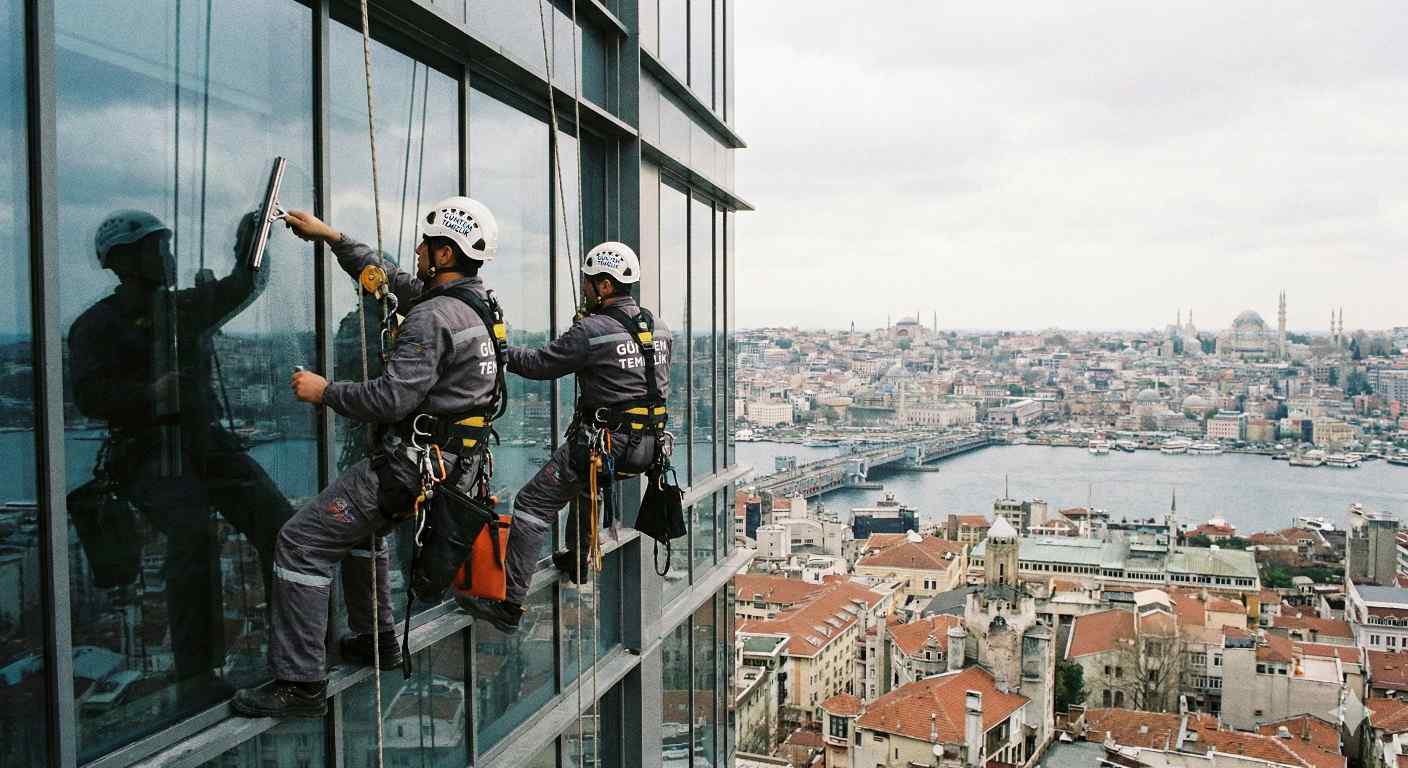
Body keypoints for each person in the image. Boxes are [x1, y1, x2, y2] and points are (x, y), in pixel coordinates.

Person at [232, 197, 503, 718]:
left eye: (426, 244)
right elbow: (388, 275)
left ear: (445, 252)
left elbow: (390, 399)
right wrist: (331, 237)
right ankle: (376, 638)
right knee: (364, 533)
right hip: (450, 465)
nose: (417, 252)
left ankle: (299, 682)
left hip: (409, 466)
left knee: (300, 542)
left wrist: (324, 390)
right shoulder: (477, 307)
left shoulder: (431, 317)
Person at [70, 210, 295, 705]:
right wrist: (152, 394)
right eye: (158, 249)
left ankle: (293, 652)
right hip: (148, 449)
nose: (168, 258)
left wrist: (251, 247)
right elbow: (89, 395)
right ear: (125, 261)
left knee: (281, 526)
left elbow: (241, 287)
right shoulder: (97, 326)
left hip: (199, 440)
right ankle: (199, 673)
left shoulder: (178, 309)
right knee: (193, 537)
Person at [458, 242, 671, 635]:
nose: (586, 289)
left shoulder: (591, 330)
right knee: (580, 483)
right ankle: (576, 557)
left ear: (605, 285)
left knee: (531, 503)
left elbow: (540, 364)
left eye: (590, 283)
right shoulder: (658, 327)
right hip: (648, 446)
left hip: (606, 445)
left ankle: (509, 602)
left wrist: (499, 349)